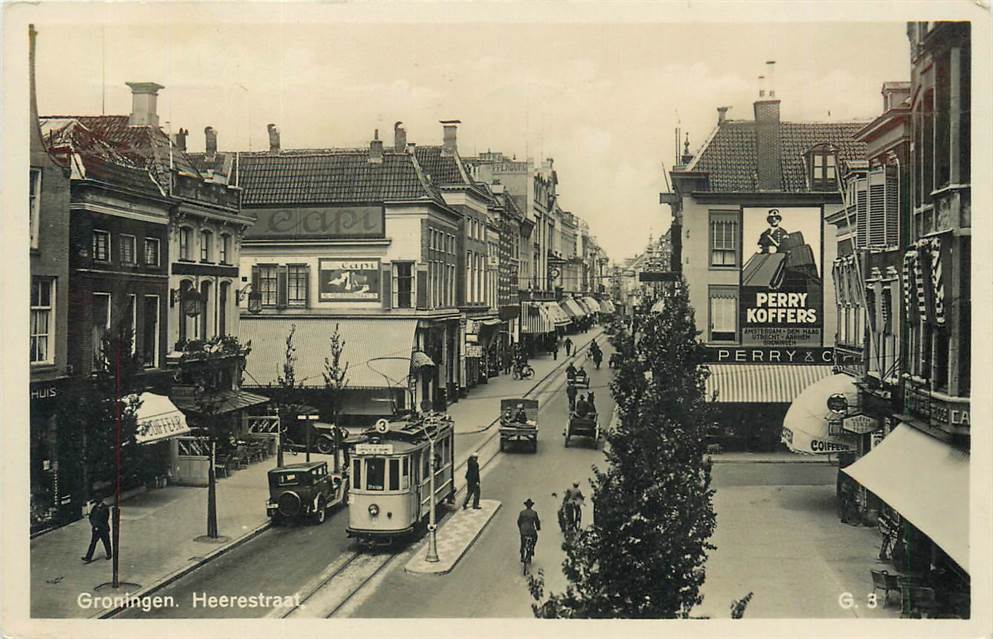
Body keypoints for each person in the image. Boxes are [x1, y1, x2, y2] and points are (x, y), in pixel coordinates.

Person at [81, 497, 112, 563]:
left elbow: (105, 518)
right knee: (93, 543)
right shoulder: (95, 508)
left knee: (106, 542)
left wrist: (98, 525)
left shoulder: (105, 508)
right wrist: (94, 525)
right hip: (96, 529)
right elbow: (91, 517)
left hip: (103, 528)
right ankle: (88, 557)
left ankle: (109, 554)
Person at [517, 498, 541, 562]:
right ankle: (532, 548)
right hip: (531, 530)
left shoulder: (522, 513)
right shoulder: (534, 513)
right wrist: (538, 528)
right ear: (531, 506)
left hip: (523, 529)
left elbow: (519, 521)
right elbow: (537, 522)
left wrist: (520, 528)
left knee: (522, 542)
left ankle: (522, 555)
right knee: (535, 537)